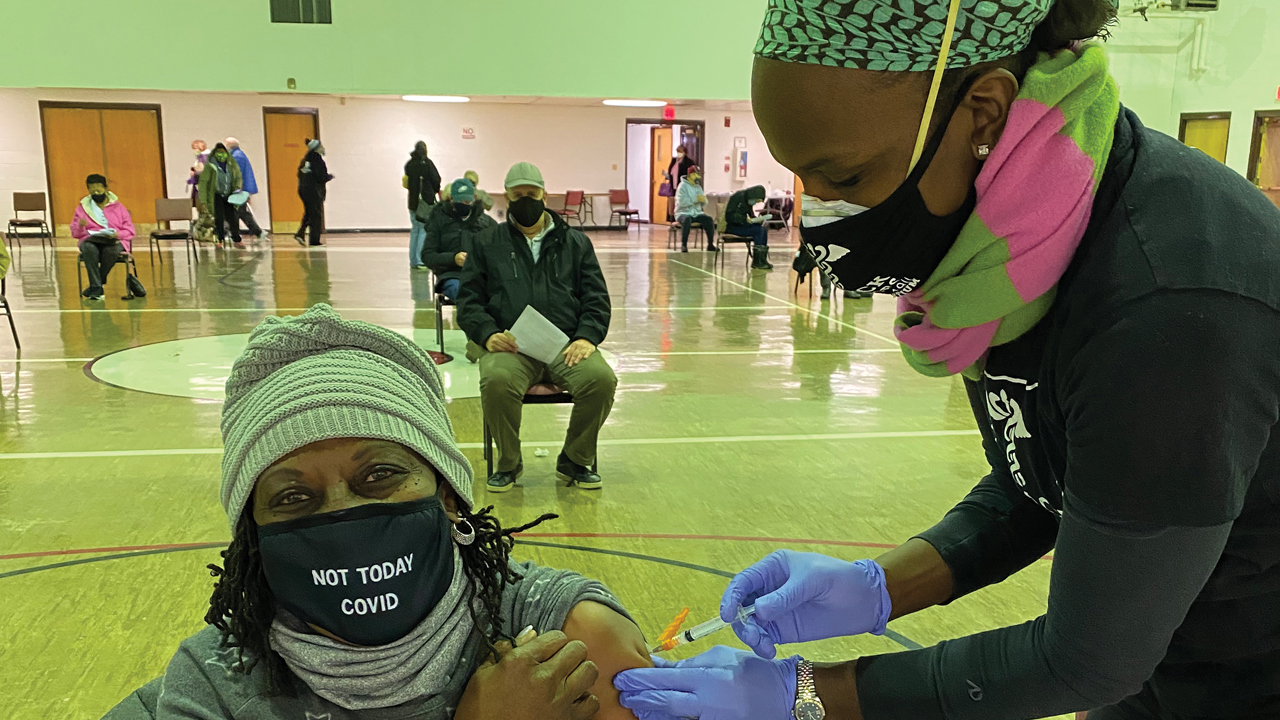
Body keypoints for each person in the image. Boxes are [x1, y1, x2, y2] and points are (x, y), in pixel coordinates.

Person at [613, 1, 1280, 720]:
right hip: (1163, 659)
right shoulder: (1011, 249)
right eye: (805, 181)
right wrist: (881, 585)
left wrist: (807, 697)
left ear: (985, 112)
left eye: (844, 175)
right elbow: (1041, 479)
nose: (821, 210)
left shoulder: (1167, 302)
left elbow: (1089, 660)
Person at [141, 304, 648, 720]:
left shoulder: (566, 636)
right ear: (252, 531)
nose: (343, 514)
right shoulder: (214, 682)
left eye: (380, 474)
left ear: (448, 494)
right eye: (292, 497)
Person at [457, 162, 615, 494]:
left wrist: (587, 336)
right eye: (518, 195)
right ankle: (509, 463)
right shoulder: (486, 243)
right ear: (507, 197)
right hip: (511, 346)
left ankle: (575, 458)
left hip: (565, 345)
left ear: (544, 194)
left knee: (601, 380)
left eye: (532, 193)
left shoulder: (575, 243)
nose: (526, 200)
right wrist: (487, 333)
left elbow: (596, 296)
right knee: (497, 380)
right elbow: (469, 300)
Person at [423, 178, 497, 301]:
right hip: (451, 275)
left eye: (467, 201)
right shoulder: (438, 221)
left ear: (474, 198)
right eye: (459, 201)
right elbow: (428, 256)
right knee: (466, 294)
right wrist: (453, 259)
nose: (464, 204)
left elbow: (499, 253)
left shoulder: (487, 223)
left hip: (481, 276)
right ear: (451, 199)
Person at [69, 174, 135, 300]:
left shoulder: (119, 207)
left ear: (105, 188)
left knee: (111, 250)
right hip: (92, 239)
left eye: (99, 190)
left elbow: (130, 231)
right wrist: (80, 226)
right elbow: (75, 234)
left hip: (115, 240)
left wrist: (117, 234)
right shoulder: (82, 208)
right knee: (88, 248)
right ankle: (97, 286)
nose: (96, 193)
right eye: (92, 191)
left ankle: (96, 284)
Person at [198, 142, 245, 246]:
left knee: (233, 218)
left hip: (229, 195)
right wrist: (203, 199)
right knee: (218, 218)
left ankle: (236, 238)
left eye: (223, 153)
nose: (221, 155)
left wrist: (237, 189)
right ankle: (220, 238)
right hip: (216, 195)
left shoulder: (232, 165)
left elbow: (238, 177)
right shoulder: (210, 166)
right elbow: (204, 183)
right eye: (219, 153)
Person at [407, 141, 442, 269]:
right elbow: (436, 180)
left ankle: (413, 261)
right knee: (423, 230)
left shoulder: (409, 164)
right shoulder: (427, 163)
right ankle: (421, 260)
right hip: (425, 203)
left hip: (412, 203)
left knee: (415, 230)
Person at [225, 137, 268, 241]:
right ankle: (257, 232)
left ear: (230, 145)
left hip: (238, 190)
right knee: (241, 212)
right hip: (240, 189)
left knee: (235, 211)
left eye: (226, 144)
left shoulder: (237, 156)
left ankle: (231, 233)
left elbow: (236, 175)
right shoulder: (237, 155)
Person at [724, 184, 774, 269]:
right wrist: (744, 219)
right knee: (758, 231)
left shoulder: (747, 200)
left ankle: (762, 259)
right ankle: (757, 261)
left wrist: (756, 219)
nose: (756, 203)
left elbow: (749, 215)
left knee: (763, 229)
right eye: (757, 200)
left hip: (743, 225)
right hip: (733, 227)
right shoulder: (737, 198)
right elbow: (729, 216)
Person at [295, 139, 332, 247]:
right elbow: (320, 177)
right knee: (316, 215)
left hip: (303, 190)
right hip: (313, 191)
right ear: (317, 148)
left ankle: (300, 233)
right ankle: (314, 241)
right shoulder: (317, 159)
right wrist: (329, 177)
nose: (323, 148)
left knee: (310, 212)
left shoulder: (306, 159)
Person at [673, 166, 716, 252]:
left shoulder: (698, 187)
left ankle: (710, 244)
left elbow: (704, 203)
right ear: (690, 175)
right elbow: (682, 202)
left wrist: (704, 200)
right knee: (687, 220)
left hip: (697, 213)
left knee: (709, 220)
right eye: (696, 174)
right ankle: (684, 245)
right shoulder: (682, 187)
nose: (698, 177)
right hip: (683, 213)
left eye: (699, 175)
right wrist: (695, 199)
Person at [188, 140, 216, 243]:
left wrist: (194, 172)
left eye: (194, 148)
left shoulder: (203, 158)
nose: (194, 151)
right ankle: (205, 234)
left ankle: (204, 234)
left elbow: (201, 172)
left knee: (204, 212)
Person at [664, 145, 695, 221]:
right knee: (673, 204)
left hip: (683, 187)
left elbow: (689, 175)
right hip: (673, 187)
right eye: (678, 152)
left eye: (680, 152)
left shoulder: (688, 162)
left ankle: (682, 220)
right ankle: (673, 219)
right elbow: (671, 172)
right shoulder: (674, 161)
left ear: (684, 153)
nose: (678, 154)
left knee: (681, 204)